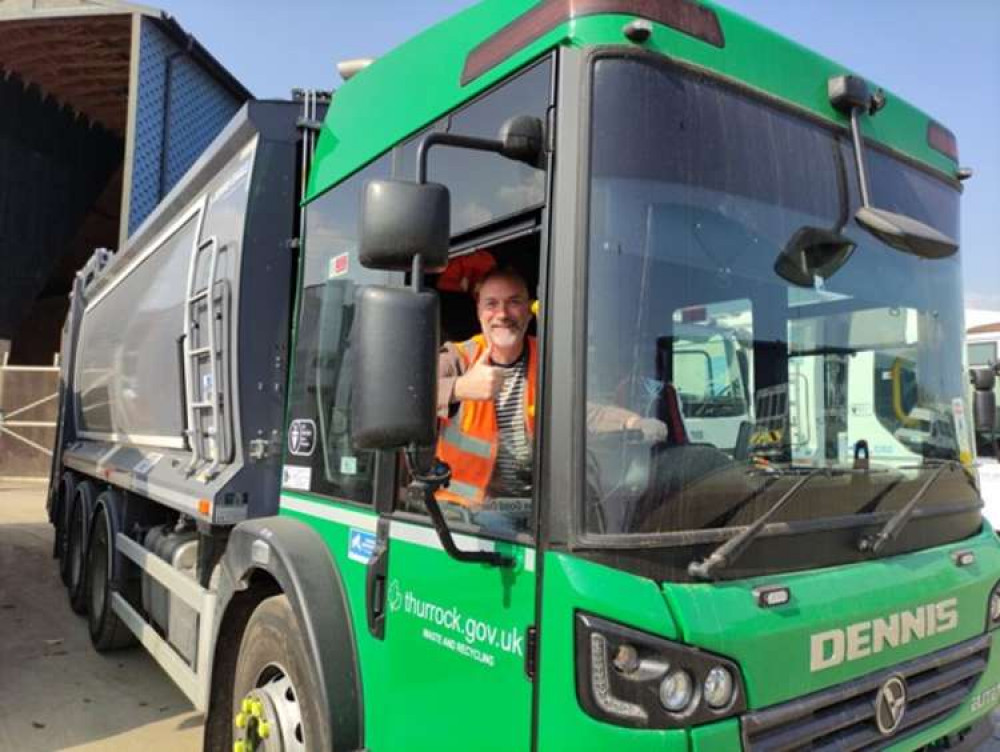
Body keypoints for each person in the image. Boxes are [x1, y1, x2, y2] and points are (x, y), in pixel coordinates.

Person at [436, 267, 665, 508]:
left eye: (514, 302)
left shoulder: (548, 357)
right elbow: (401, 397)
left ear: (528, 311)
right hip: (462, 515)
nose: (502, 314)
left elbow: (580, 411)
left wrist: (632, 423)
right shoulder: (457, 358)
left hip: (532, 510)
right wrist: (460, 387)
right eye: (491, 304)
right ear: (479, 312)